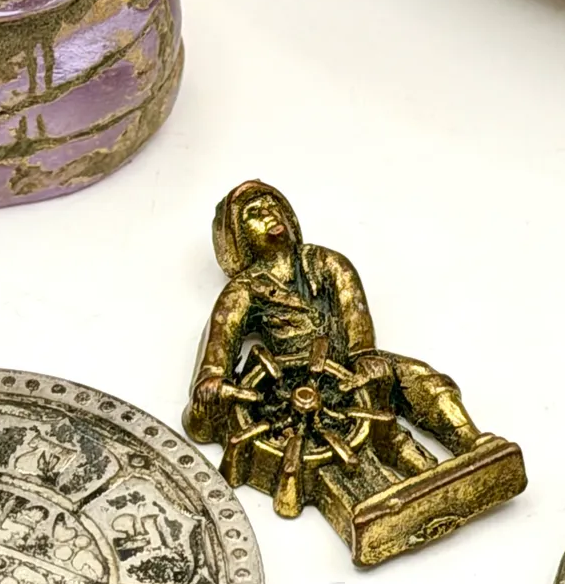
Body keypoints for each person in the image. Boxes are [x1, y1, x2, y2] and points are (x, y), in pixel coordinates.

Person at [184, 180, 489, 476]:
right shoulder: (242, 291)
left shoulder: (328, 262)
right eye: (254, 213)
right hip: (293, 385)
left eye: (273, 206)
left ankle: (474, 443)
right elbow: (218, 348)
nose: (269, 214)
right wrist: (211, 382)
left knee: (424, 380)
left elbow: (355, 316)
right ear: (238, 238)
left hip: (350, 365)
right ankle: (418, 471)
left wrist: (364, 356)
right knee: (375, 434)